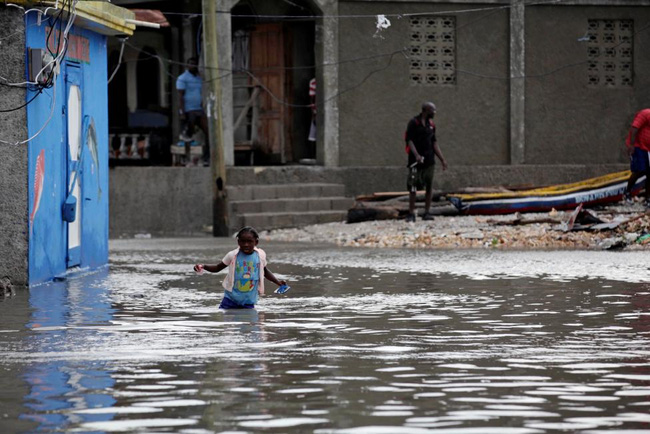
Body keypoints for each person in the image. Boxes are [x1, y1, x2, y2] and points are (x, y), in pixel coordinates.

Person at [193, 227, 287, 309]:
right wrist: (204, 266)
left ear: (256, 242)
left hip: (248, 301)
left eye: (249, 242)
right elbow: (218, 267)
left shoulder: (260, 256)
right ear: (238, 242)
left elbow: (265, 272)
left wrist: (278, 283)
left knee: (250, 325)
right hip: (230, 299)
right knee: (229, 324)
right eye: (243, 241)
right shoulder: (232, 255)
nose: (246, 244)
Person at [404, 101, 448, 222]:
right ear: (425, 110)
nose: (434, 113)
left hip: (429, 161)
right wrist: (416, 155)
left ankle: (427, 212)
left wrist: (442, 159)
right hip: (415, 162)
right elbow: (409, 140)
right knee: (413, 186)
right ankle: (411, 213)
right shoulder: (414, 122)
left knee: (429, 186)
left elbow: (434, 142)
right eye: (432, 110)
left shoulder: (432, 125)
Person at [176, 57, 209, 166]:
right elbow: (180, 96)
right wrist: (182, 112)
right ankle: (186, 157)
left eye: (195, 64)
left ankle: (206, 157)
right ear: (187, 65)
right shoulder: (182, 78)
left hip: (199, 109)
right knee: (188, 135)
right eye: (191, 64)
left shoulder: (199, 79)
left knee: (209, 132)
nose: (193, 66)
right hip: (188, 110)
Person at [624, 108, 650, 206]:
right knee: (639, 170)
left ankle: (648, 198)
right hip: (639, 146)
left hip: (648, 149)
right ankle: (627, 193)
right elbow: (635, 127)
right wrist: (631, 145)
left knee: (649, 173)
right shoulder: (646, 113)